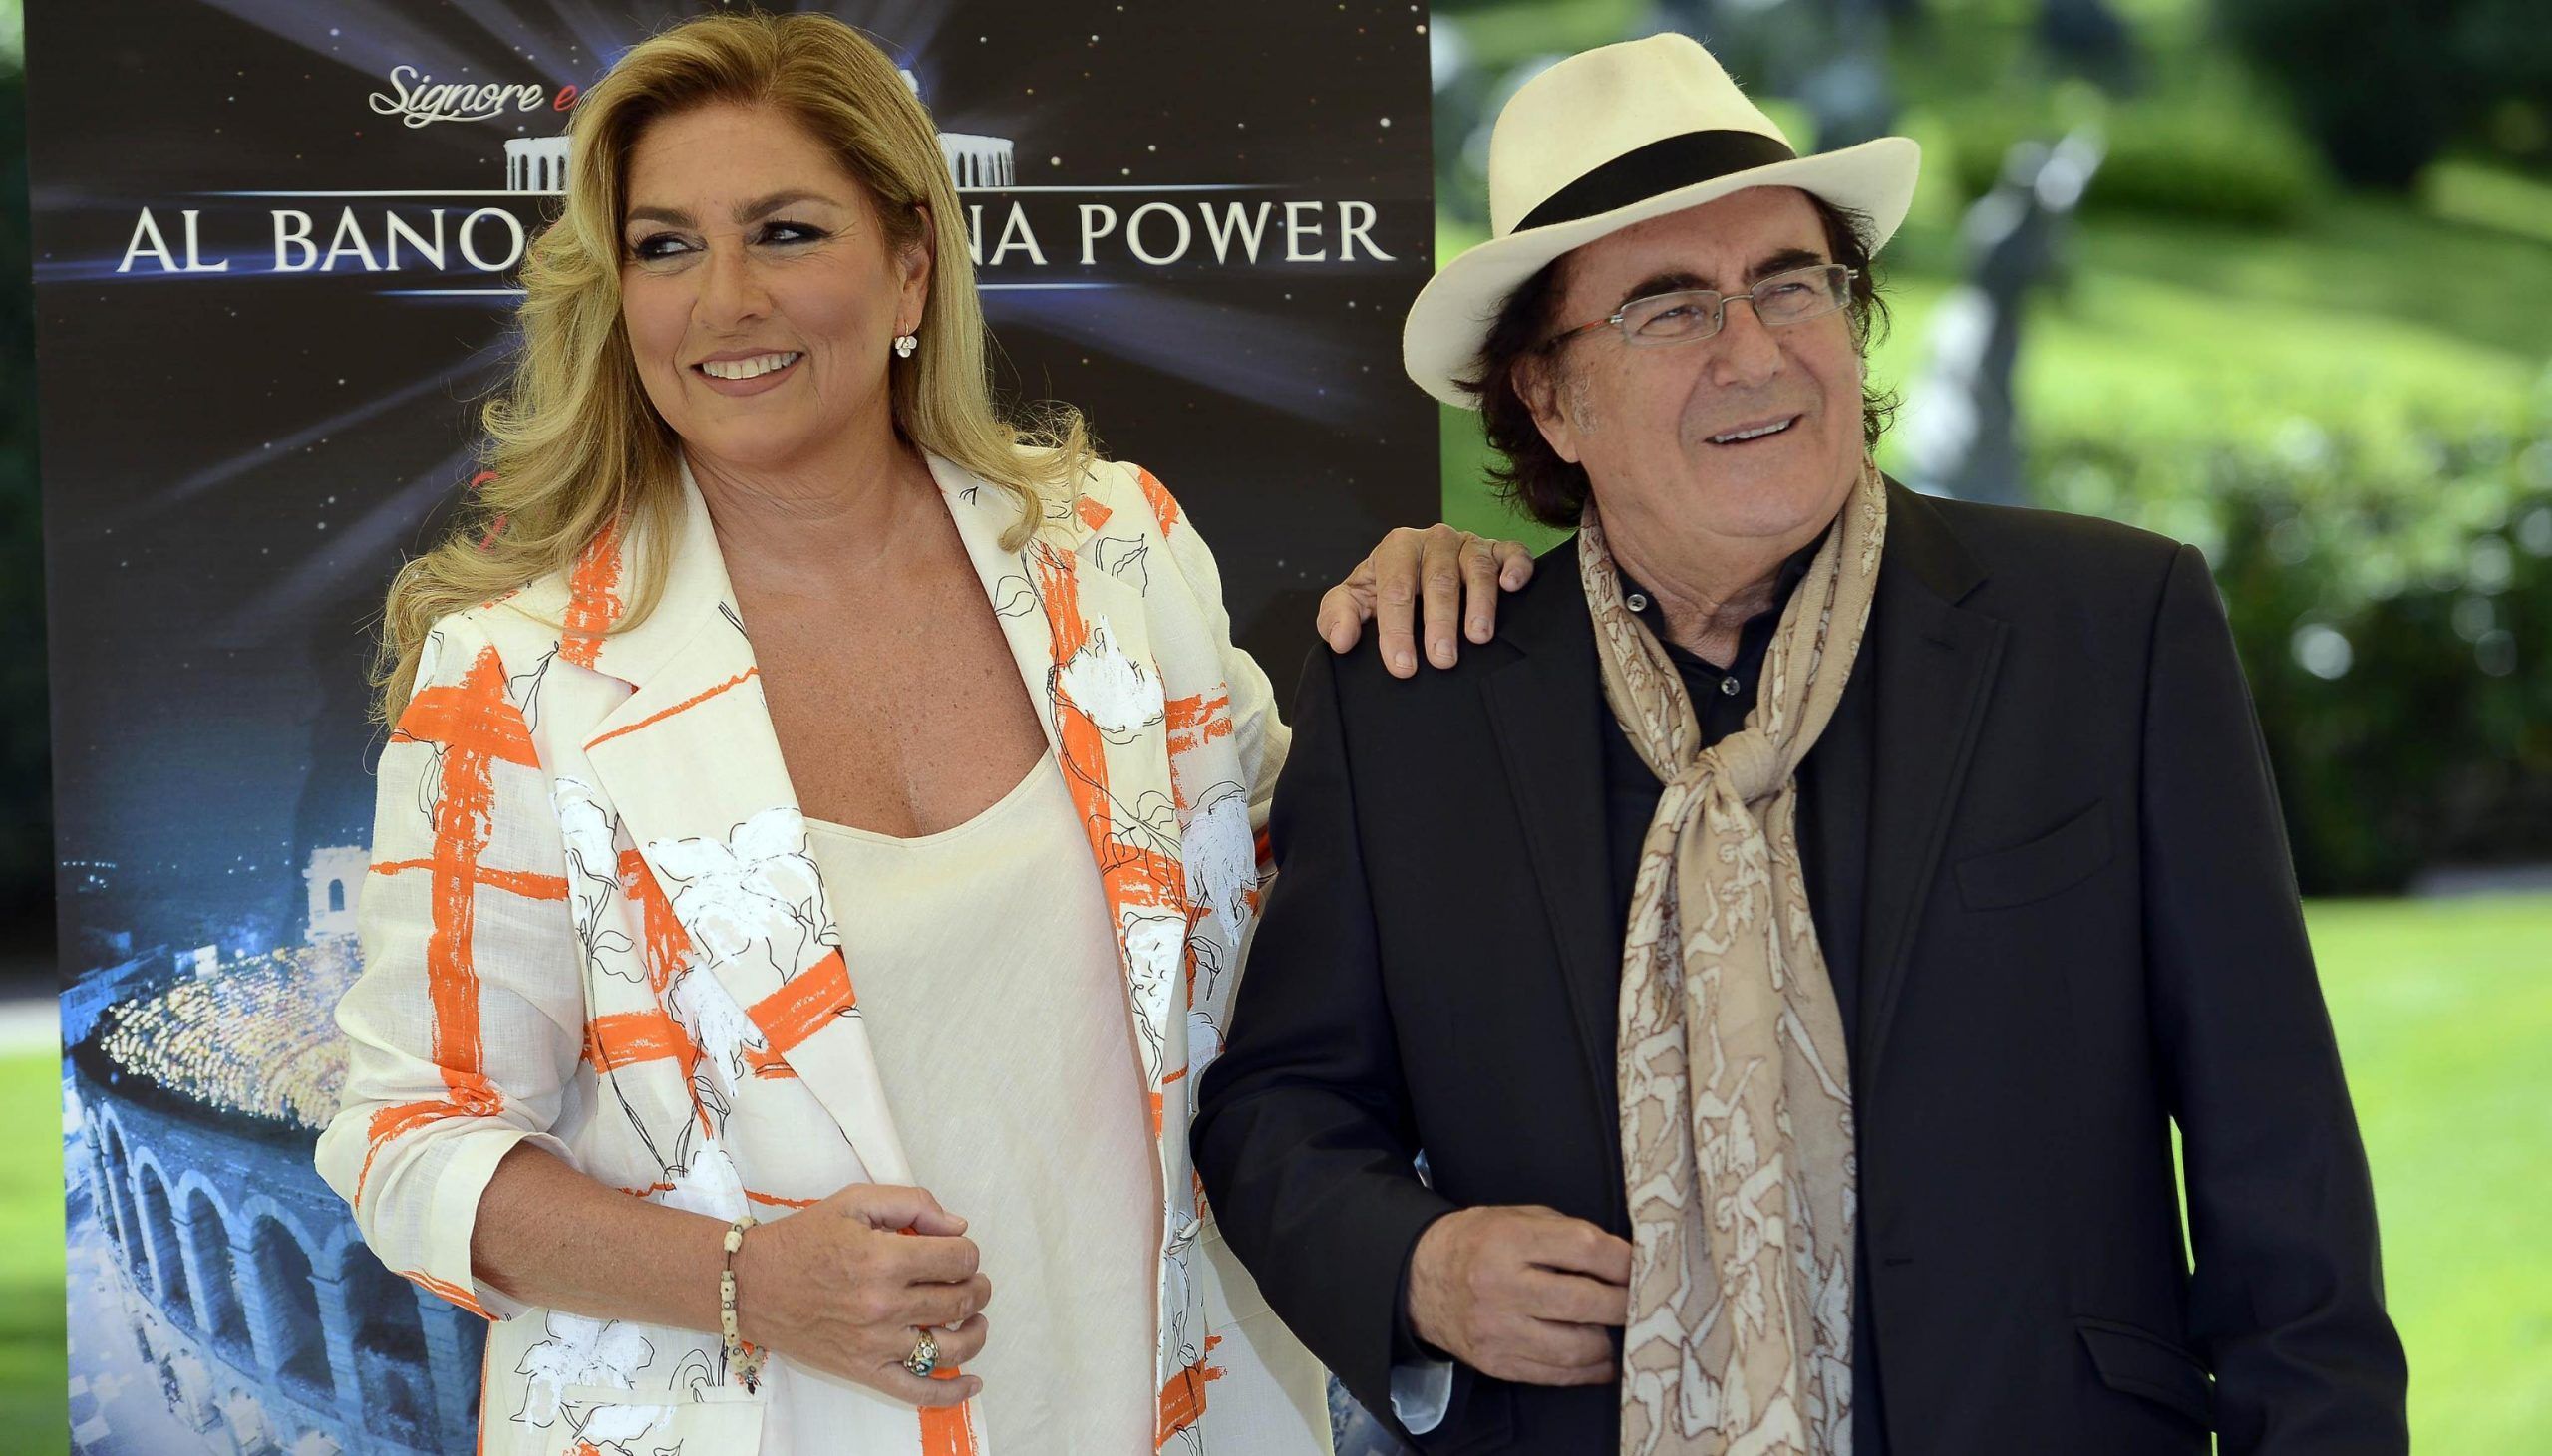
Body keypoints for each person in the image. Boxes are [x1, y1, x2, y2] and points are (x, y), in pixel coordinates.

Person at [313, 13, 1525, 1455]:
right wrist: (749, 1281)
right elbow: (414, 1145)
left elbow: (1343, 918)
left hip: (1177, 1411)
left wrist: (1416, 632)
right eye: (666, 247)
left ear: (909, 263)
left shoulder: (1118, 556)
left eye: (784, 231)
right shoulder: (517, 676)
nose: (724, 302)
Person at [1194, 33, 2407, 1456]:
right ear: (1548, 397)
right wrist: (1417, 1268)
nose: (1756, 350)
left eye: (1792, 283)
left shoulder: (2109, 630)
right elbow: (1278, 1107)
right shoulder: (1421, 697)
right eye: (1670, 307)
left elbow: (2286, 1175)